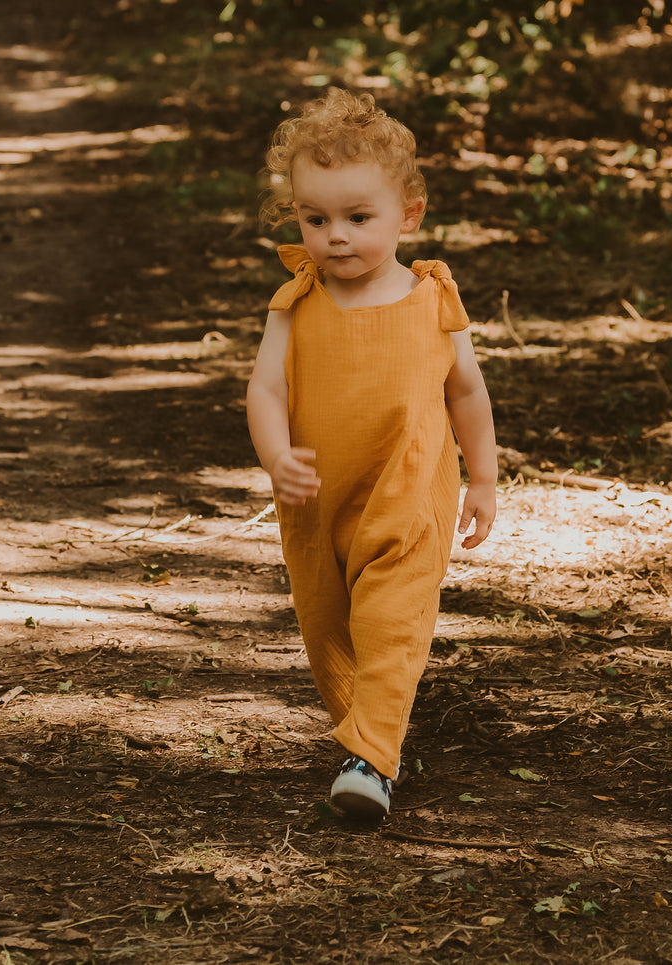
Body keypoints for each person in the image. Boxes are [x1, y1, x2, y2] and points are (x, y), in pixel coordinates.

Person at [246, 88, 499, 820]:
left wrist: (481, 478)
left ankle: (371, 758)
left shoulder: (431, 301)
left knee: (391, 617)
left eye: (358, 218)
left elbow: (467, 395)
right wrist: (274, 454)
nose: (335, 236)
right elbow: (263, 390)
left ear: (406, 216)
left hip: (408, 492)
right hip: (316, 501)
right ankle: (365, 727)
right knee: (327, 626)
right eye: (314, 218)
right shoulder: (296, 303)